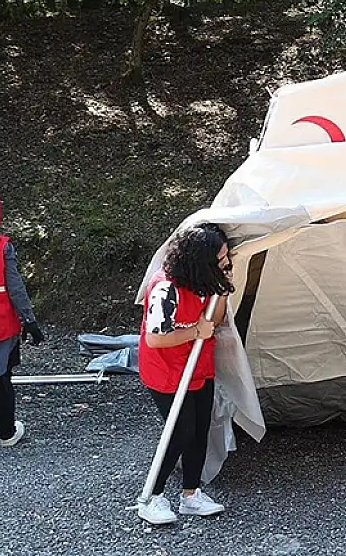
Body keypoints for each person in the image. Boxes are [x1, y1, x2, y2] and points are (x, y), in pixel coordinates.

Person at [135, 222, 234, 525]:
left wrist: (225, 288)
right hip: (165, 369)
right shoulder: (165, 288)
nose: (226, 262)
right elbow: (156, 337)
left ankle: (191, 494)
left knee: (200, 429)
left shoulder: (206, 279)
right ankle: (152, 496)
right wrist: (195, 331)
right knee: (179, 432)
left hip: (197, 365)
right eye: (221, 258)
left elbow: (214, 319)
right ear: (200, 258)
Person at [0, 191, 45, 448]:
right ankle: (6, 434)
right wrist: (30, 321)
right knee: (0, 379)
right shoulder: (1, 246)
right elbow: (15, 288)